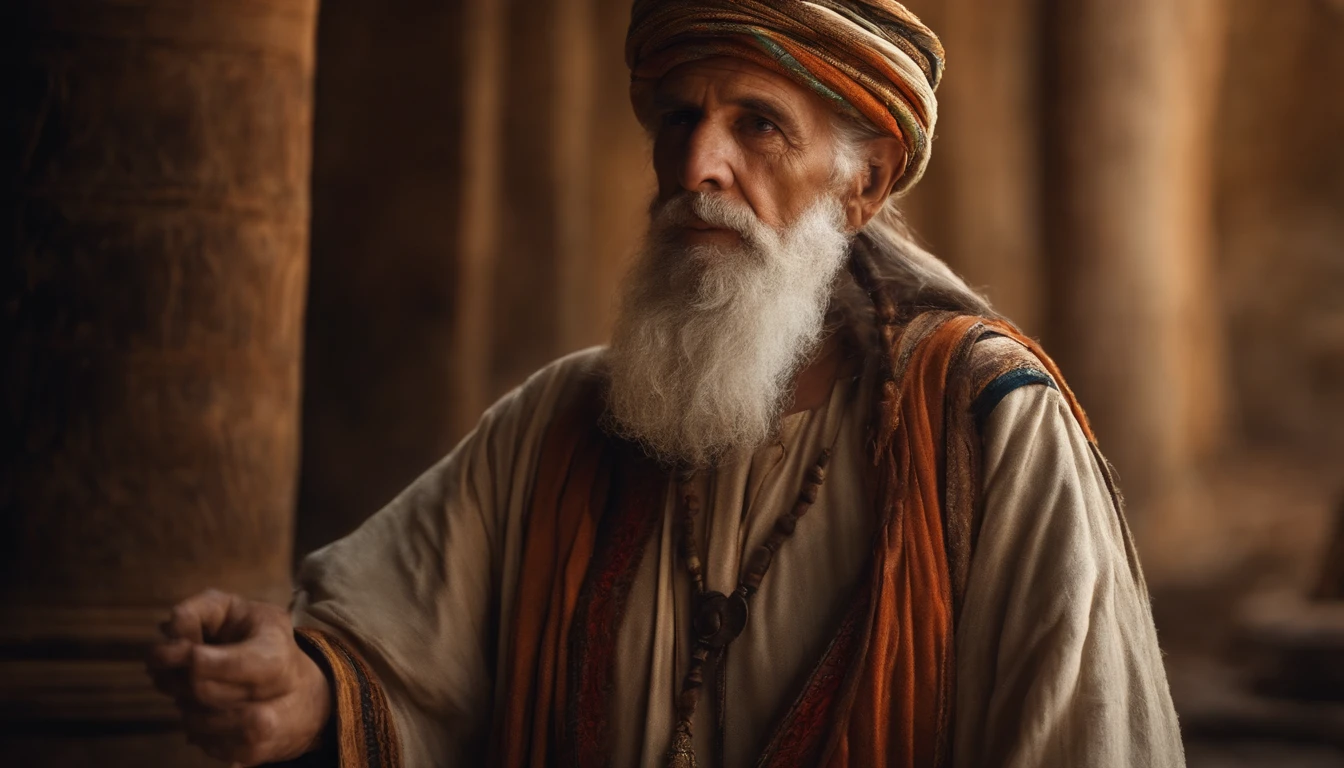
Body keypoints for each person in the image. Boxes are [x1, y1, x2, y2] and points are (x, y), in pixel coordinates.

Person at [146, 1, 1186, 766]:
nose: (698, 166)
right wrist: (296, 689)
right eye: (679, 119)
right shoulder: (557, 428)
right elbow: (384, 658)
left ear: (861, 184)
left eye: (759, 125)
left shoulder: (993, 435)